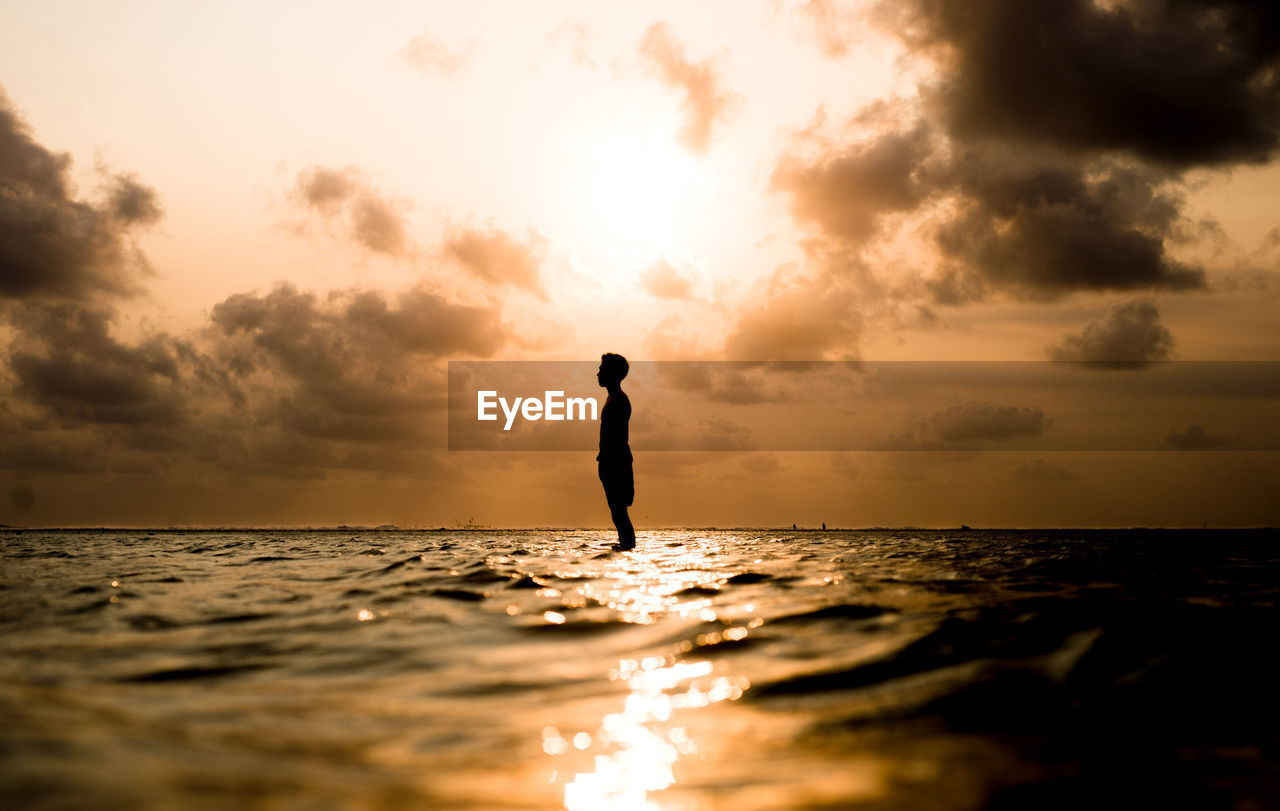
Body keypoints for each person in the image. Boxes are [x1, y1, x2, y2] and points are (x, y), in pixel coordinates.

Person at [596, 353, 635, 550]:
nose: (598, 374)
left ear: (613, 374)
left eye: (602, 370)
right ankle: (625, 546)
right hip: (611, 462)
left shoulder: (619, 400)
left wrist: (610, 461)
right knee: (616, 511)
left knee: (619, 512)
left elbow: (618, 437)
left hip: (617, 462)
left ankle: (628, 547)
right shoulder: (612, 398)